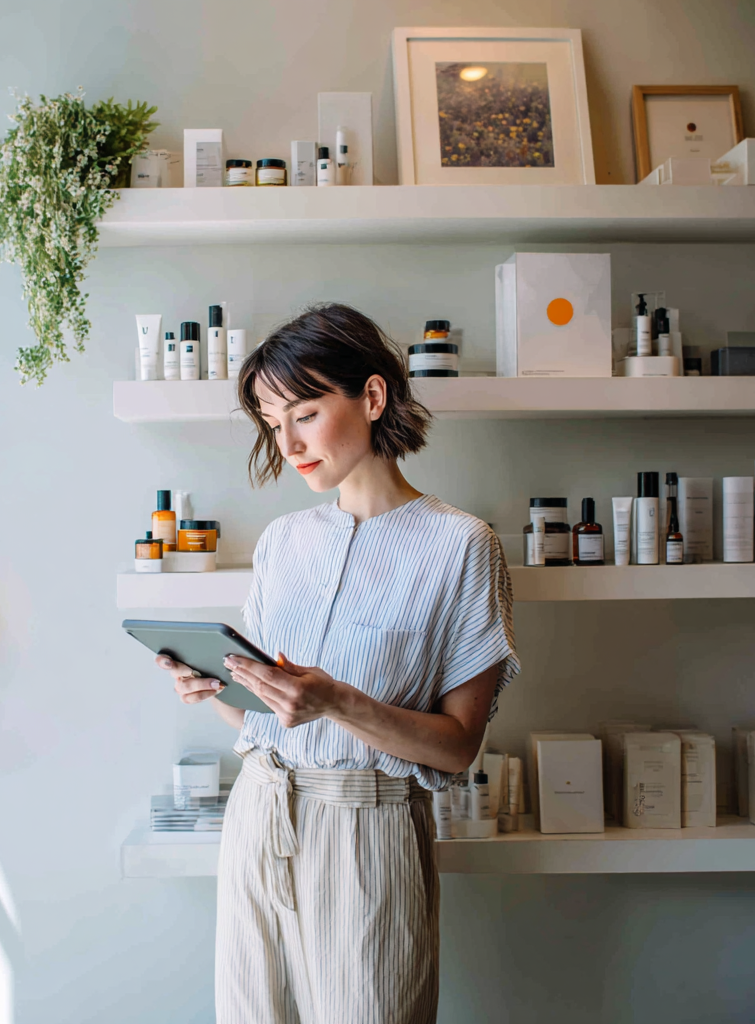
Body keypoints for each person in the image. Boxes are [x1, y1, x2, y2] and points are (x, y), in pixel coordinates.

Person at [157, 303, 519, 1024]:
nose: (287, 442)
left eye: (304, 413)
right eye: (271, 422)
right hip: (259, 811)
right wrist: (213, 687)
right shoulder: (283, 541)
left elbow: (457, 747)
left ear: (373, 397)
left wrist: (338, 703)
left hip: (368, 832)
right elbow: (267, 714)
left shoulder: (461, 545)